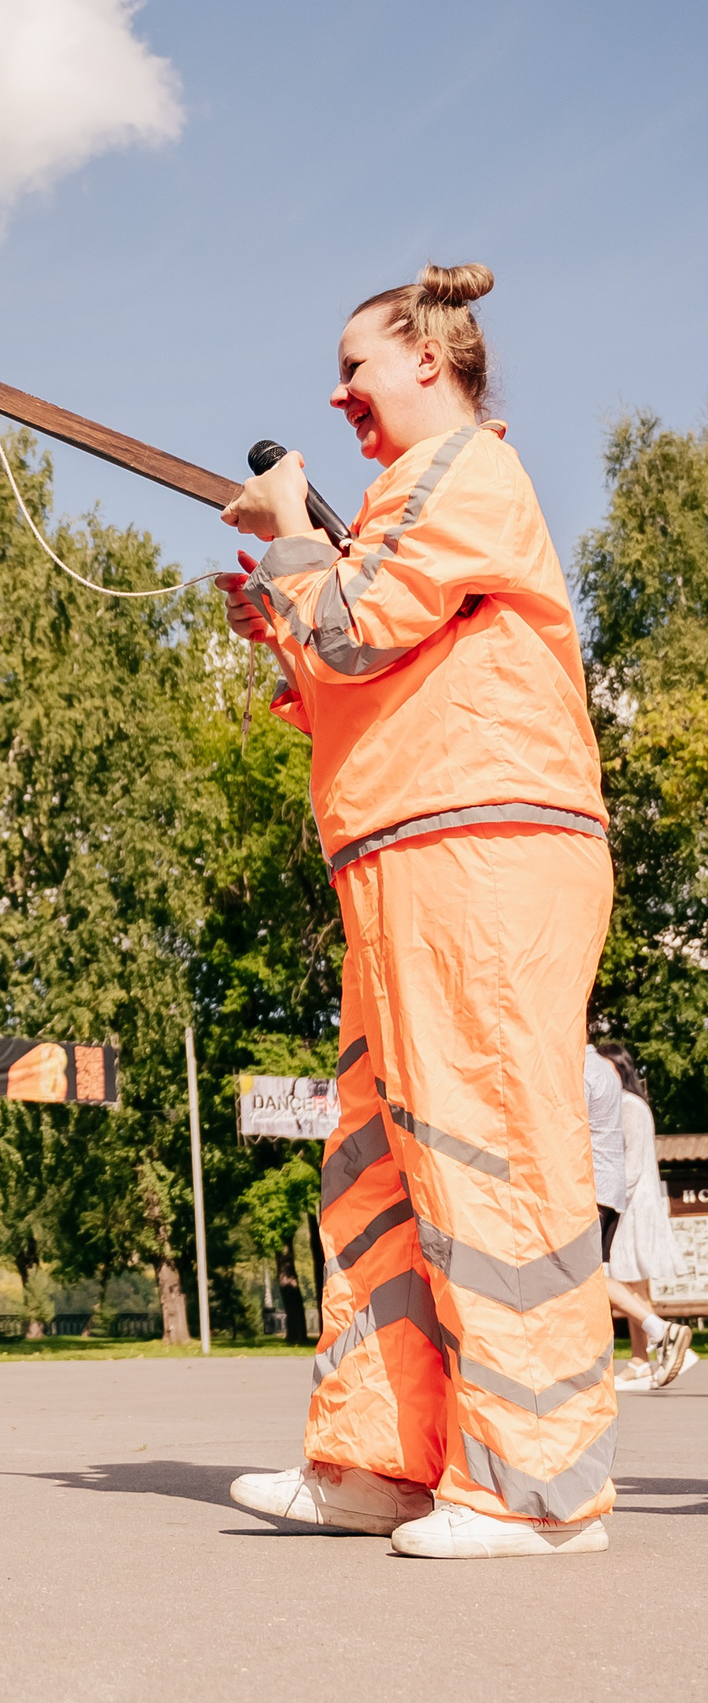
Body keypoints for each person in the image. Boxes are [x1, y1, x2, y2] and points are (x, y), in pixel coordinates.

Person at [218, 264, 618, 1559]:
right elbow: (347, 664)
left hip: (482, 843)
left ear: (431, 363)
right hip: (408, 848)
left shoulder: (458, 472)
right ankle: (383, 1458)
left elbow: (353, 628)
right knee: (380, 1161)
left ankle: (536, 1486)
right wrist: (289, 609)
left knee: (488, 1141)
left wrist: (292, 541)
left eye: (358, 365)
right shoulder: (412, 498)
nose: (339, 393)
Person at [596, 1042, 692, 1390]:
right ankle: (642, 1360)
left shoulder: (628, 1105)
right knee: (632, 1282)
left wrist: (607, 1201)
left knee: (619, 1279)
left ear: (620, 1069)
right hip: (630, 1202)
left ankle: (658, 1343)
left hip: (632, 1204)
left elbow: (631, 1167)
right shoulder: (621, 1105)